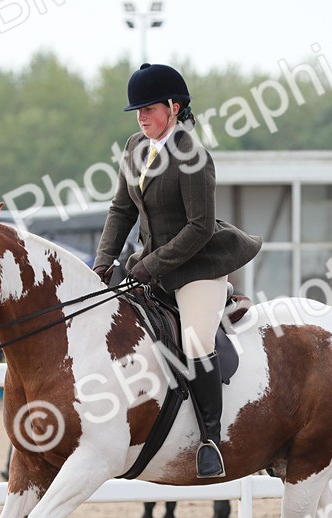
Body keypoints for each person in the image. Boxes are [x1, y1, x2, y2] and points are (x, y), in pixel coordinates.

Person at [92, 63, 262, 479]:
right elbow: (121, 210)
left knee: (196, 340)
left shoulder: (193, 155)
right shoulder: (135, 147)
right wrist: (102, 263)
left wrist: (149, 265)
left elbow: (199, 227)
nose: (142, 118)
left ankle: (210, 440)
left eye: (149, 109)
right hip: (149, 266)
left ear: (174, 106)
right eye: (138, 111)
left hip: (197, 267)